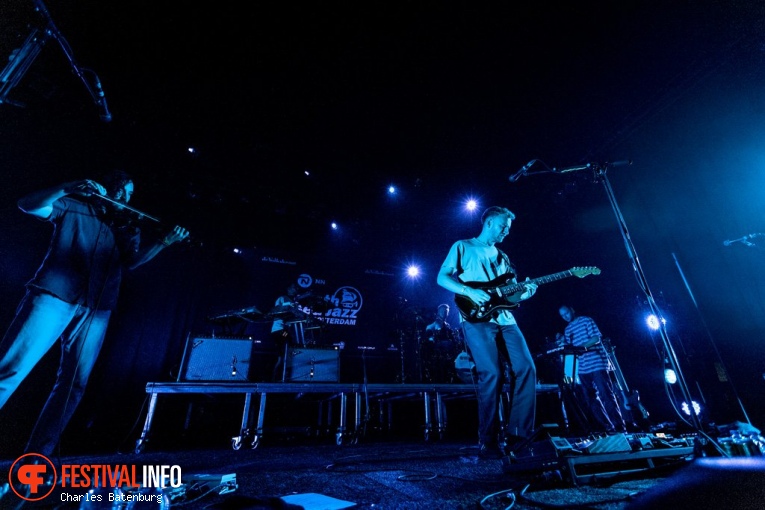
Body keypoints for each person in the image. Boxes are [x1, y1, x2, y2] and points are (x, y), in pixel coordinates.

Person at [0, 171, 189, 458]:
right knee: (11, 367)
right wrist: (66, 185)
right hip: (54, 296)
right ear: (104, 186)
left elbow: (132, 263)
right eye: (119, 189)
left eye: (129, 194)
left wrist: (163, 242)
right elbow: (27, 205)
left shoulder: (126, 225)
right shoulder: (74, 205)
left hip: (97, 309)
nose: (123, 198)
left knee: (74, 384)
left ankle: (37, 458)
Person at [437, 206, 538, 458]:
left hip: (506, 319)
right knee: (491, 373)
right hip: (476, 318)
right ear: (490, 222)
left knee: (526, 368)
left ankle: (519, 436)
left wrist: (526, 291)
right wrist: (469, 291)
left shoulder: (503, 256)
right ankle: (488, 440)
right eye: (503, 226)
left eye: (508, 229)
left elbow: (511, 294)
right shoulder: (463, 246)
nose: (506, 232)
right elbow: (442, 277)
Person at [557, 305, 626, 434]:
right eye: (562, 315)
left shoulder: (586, 320)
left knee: (606, 394)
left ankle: (619, 427)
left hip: (597, 362)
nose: (565, 316)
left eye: (566, 313)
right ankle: (607, 427)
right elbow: (569, 348)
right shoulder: (567, 330)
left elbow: (595, 338)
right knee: (590, 398)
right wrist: (561, 343)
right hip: (582, 367)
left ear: (572, 310)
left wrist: (581, 348)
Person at [270, 282, 300, 381]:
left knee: (282, 357)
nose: (295, 289)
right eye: (293, 287)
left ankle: (278, 377)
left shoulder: (294, 302)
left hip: (284, 330)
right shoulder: (282, 298)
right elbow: (276, 310)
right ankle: (275, 378)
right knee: (288, 343)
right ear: (288, 289)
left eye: (296, 288)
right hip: (278, 330)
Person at [422, 304, 459, 383]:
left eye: (447, 311)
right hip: (438, 354)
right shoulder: (432, 325)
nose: (445, 313)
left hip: (448, 354)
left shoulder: (447, 325)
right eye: (443, 311)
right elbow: (429, 339)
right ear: (439, 312)